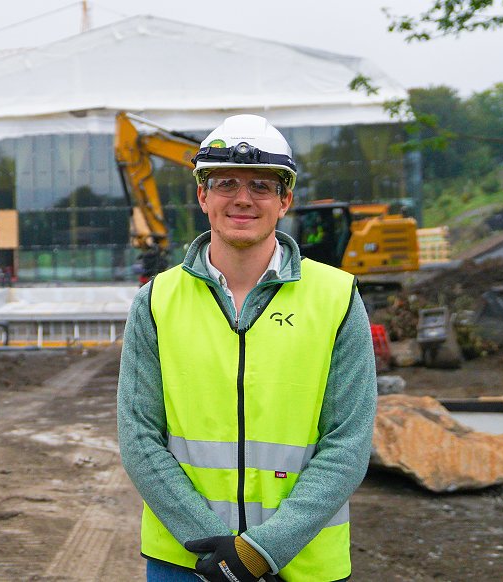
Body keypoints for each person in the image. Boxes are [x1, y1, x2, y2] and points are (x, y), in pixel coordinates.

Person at [117, 114, 377, 582]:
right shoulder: (155, 301)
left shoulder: (337, 298)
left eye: (261, 185)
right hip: (185, 561)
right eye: (226, 183)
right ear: (202, 195)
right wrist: (211, 547)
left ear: (285, 200)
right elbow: (139, 438)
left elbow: (349, 443)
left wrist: (261, 552)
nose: (242, 198)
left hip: (302, 564)